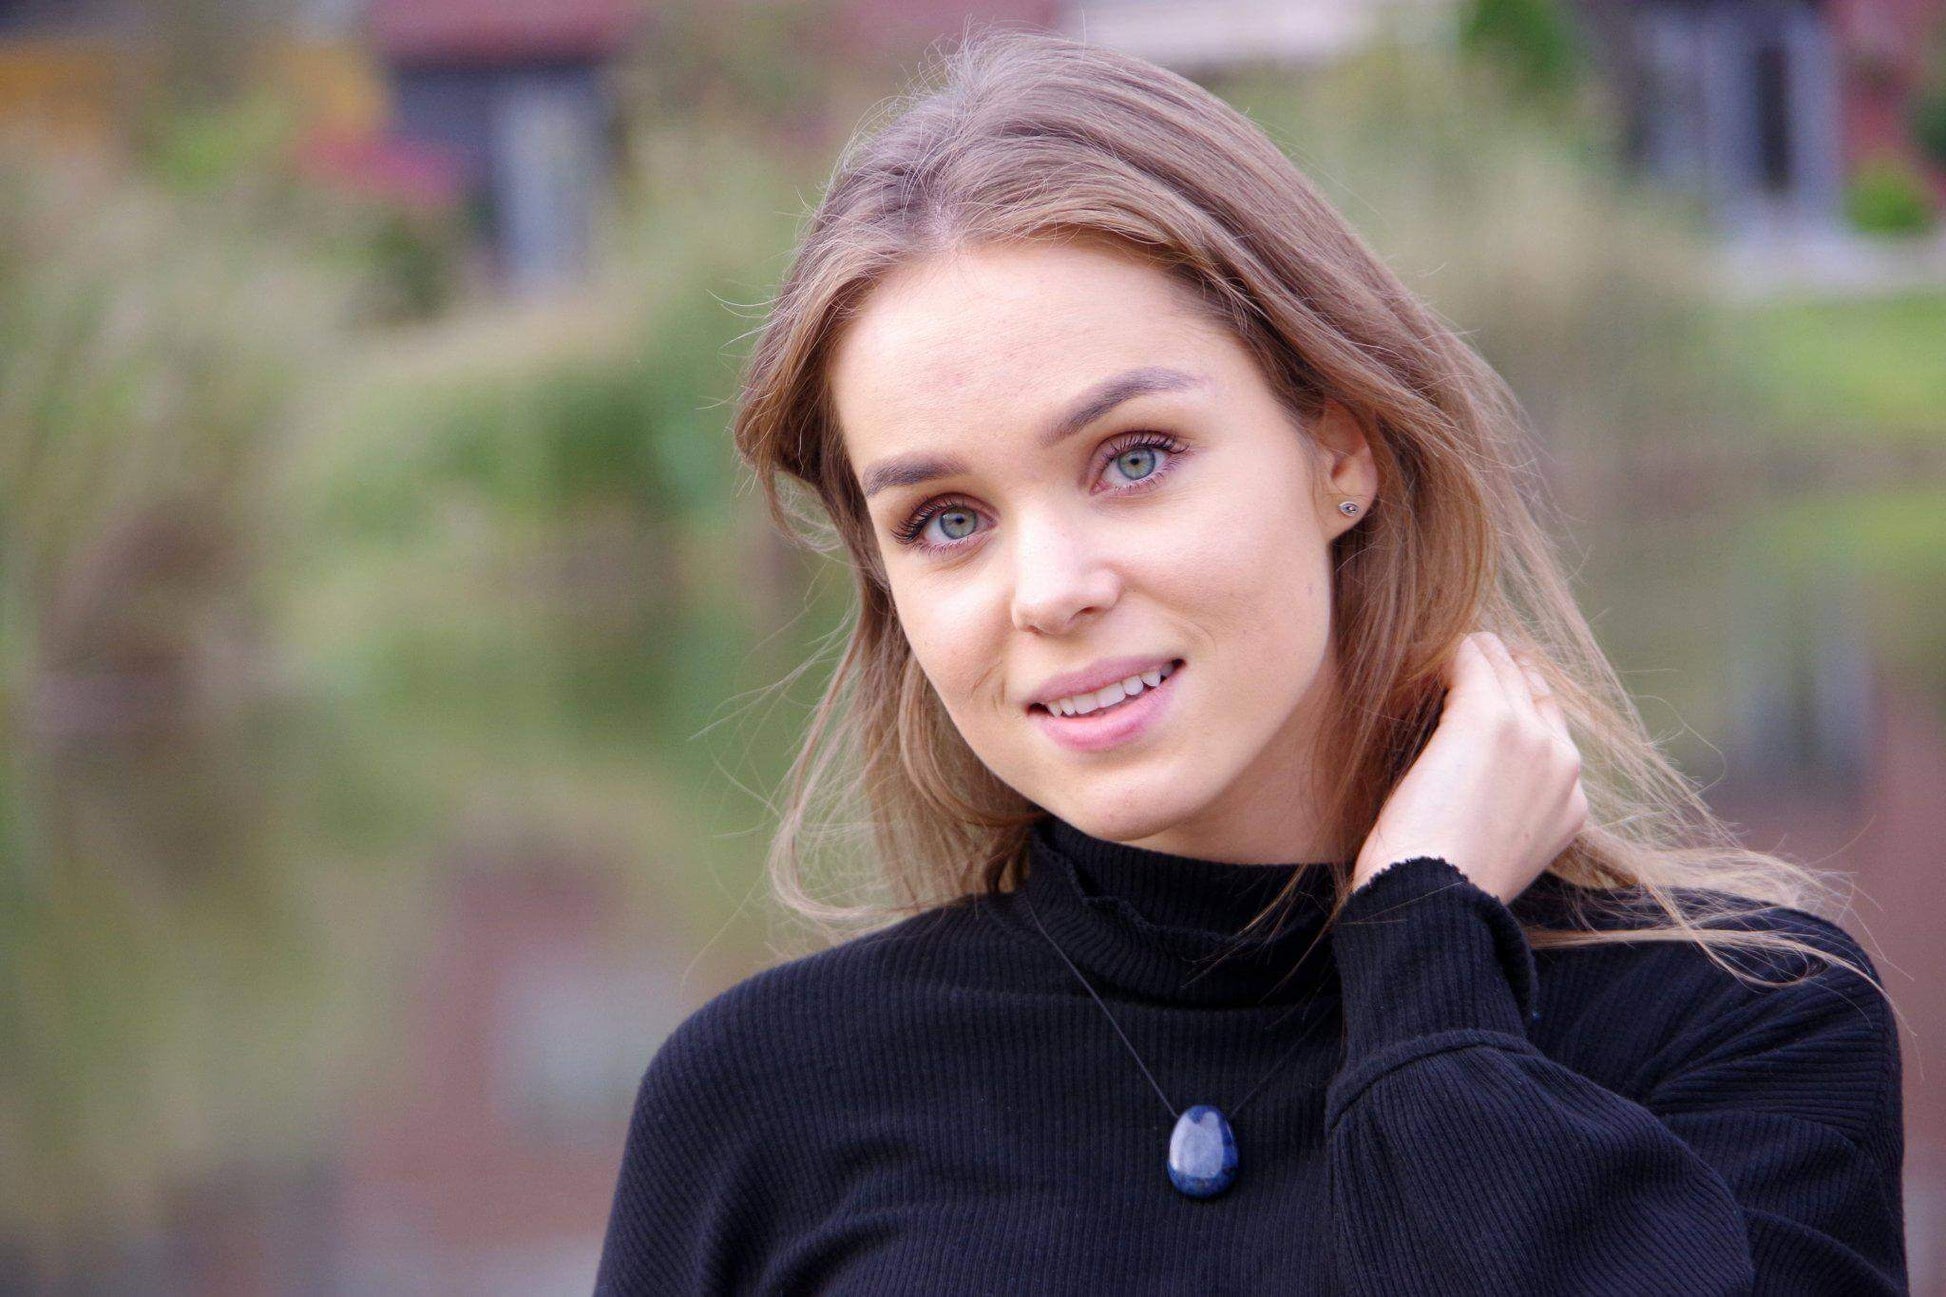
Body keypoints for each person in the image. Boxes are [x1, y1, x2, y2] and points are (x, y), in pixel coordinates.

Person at [594, 28, 1907, 1296]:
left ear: (1339, 451)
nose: (1048, 590)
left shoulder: (1745, 1025)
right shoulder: (767, 1102)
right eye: (945, 520)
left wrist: (1426, 972)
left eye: (1134, 458)